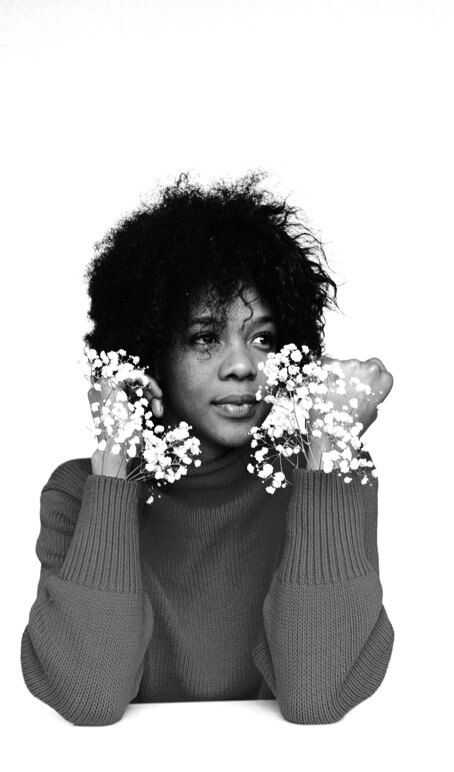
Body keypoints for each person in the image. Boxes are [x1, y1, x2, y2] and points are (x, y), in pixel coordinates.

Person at [20, 172, 395, 726]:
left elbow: (317, 696)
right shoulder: (81, 493)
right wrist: (115, 467)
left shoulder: (327, 475)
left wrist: (330, 446)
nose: (242, 365)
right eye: (204, 337)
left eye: (263, 338)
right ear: (150, 351)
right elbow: (88, 698)